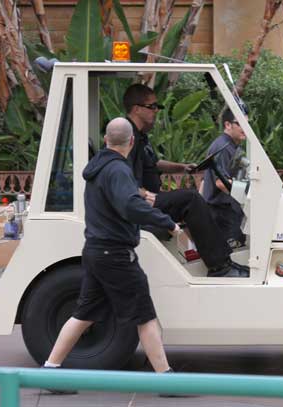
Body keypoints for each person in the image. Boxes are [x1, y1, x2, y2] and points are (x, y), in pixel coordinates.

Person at [42, 118, 179, 394]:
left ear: (106, 140)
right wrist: (168, 222)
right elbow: (131, 205)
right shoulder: (118, 170)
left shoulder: (97, 169)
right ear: (131, 142)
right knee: (145, 315)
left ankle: (50, 371)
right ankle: (166, 379)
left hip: (95, 251)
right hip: (115, 254)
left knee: (83, 313)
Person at [123, 84, 249, 278]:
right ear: (137, 108)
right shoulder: (126, 136)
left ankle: (224, 261)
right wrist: (147, 195)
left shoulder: (140, 137)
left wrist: (182, 167)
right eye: (152, 107)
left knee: (193, 199)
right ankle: (219, 267)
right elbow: (122, 180)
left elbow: (154, 163)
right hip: (140, 203)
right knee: (191, 199)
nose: (156, 111)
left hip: (149, 198)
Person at [203, 108, 247, 248]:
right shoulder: (222, 146)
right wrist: (247, 195)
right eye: (240, 123)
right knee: (233, 252)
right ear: (228, 125)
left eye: (247, 124)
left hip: (228, 210)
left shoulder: (231, 146)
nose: (245, 128)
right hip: (222, 213)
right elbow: (220, 183)